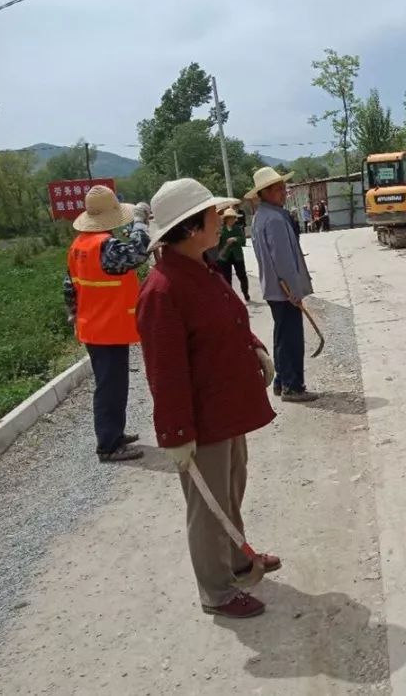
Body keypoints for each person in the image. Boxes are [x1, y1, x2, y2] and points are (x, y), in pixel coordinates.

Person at [136, 178, 279, 619]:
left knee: (230, 490)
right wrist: (176, 433)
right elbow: (166, 372)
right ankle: (216, 591)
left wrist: (253, 344)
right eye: (214, 215)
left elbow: (228, 318)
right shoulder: (163, 291)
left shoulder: (201, 267)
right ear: (193, 226)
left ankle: (238, 559)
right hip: (201, 418)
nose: (221, 221)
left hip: (225, 408)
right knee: (208, 504)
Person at [64, 186, 150, 462]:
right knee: (110, 386)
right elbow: (138, 253)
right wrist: (140, 221)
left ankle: (114, 432)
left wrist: (73, 312)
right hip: (107, 327)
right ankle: (109, 445)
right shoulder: (105, 245)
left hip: (93, 326)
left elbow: (69, 285)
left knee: (112, 383)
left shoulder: (80, 245)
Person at [248, 166, 319, 403]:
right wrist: (295, 291)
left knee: (282, 336)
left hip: (273, 288)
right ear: (264, 193)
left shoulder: (261, 216)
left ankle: (282, 381)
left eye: (283, 188)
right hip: (284, 290)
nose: (284, 193)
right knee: (291, 339)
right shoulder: (275, 219)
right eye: (278, 189)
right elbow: (284, 261)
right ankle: (293, 386)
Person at [216, 207, 249, 302]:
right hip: (225, 256)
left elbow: (243, 240)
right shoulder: (221, 229)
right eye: (230, 218)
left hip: (237, 255)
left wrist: (235, 239)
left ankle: (245, 293)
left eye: (234, 218)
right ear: (226, 219)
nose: (233, 220)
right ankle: (230, 297)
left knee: (242, 275)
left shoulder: (238, 228)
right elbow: (217, 243)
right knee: (227, 278)